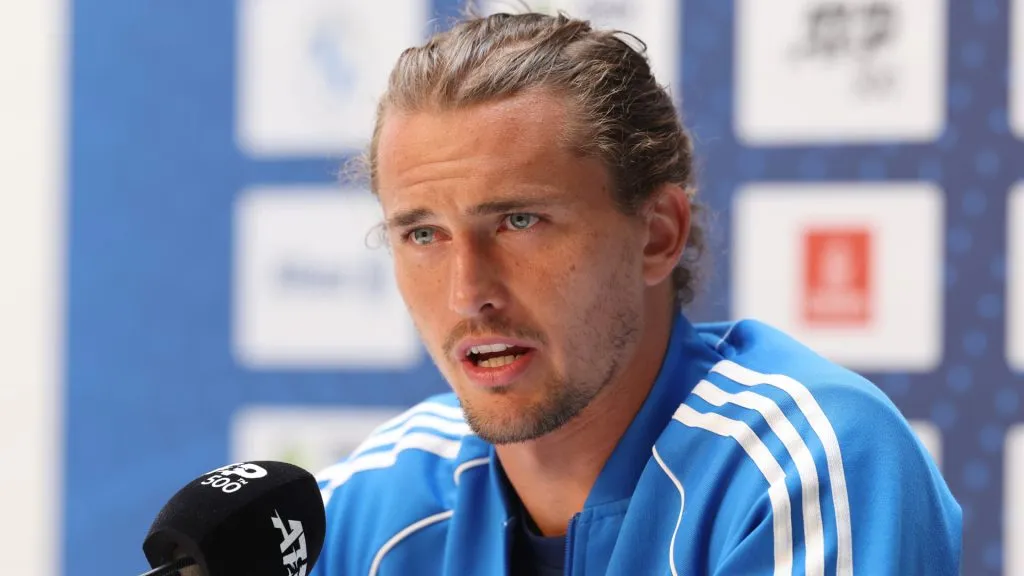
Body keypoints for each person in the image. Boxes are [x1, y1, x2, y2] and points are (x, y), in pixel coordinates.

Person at [310, 10, 961, 576]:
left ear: (657, 235)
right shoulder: (373, 502)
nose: (466, 294)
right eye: (424, 234)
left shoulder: (805, 463)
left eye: (519, 222)